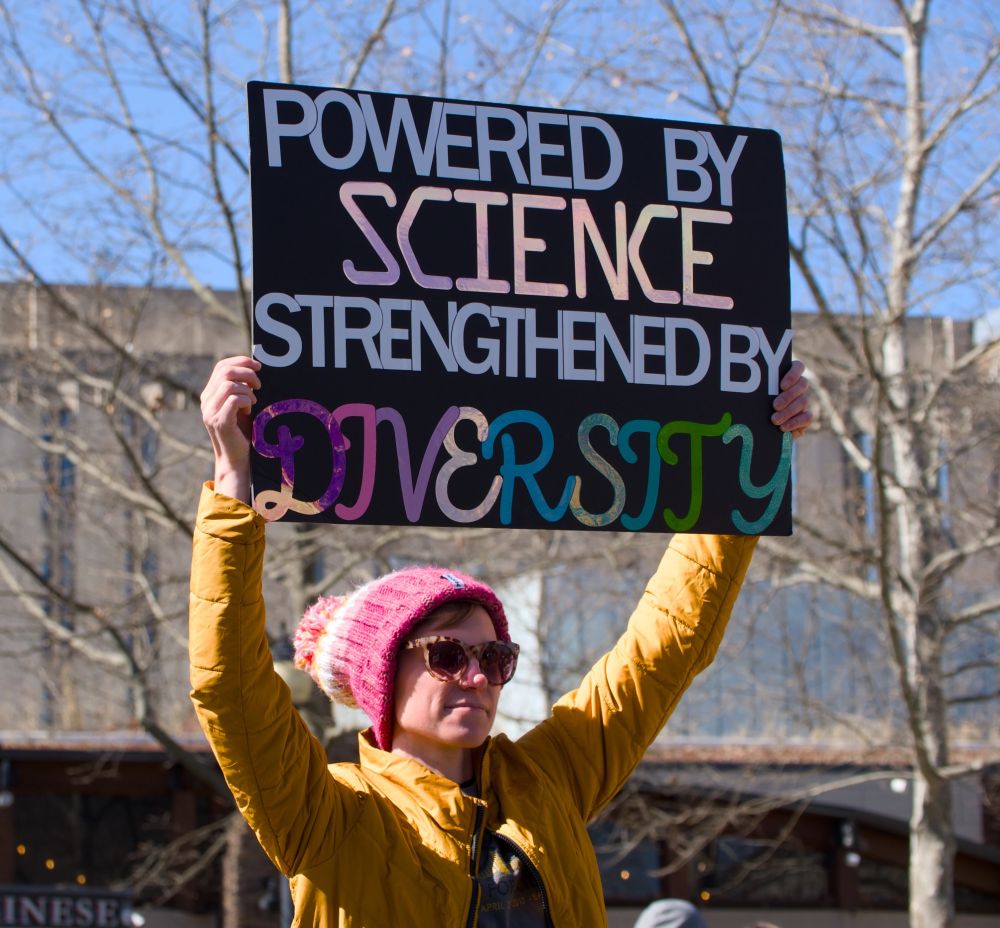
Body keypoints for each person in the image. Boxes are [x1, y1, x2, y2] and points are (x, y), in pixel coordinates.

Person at [191, 355, 812, 927]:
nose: (478, 677)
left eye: (495, 657)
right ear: (382, 678)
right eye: (446, 655)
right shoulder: (327, 815)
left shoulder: (551, 777)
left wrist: (745, 464)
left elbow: (666, 645)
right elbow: (232, 688)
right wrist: (232, 477)